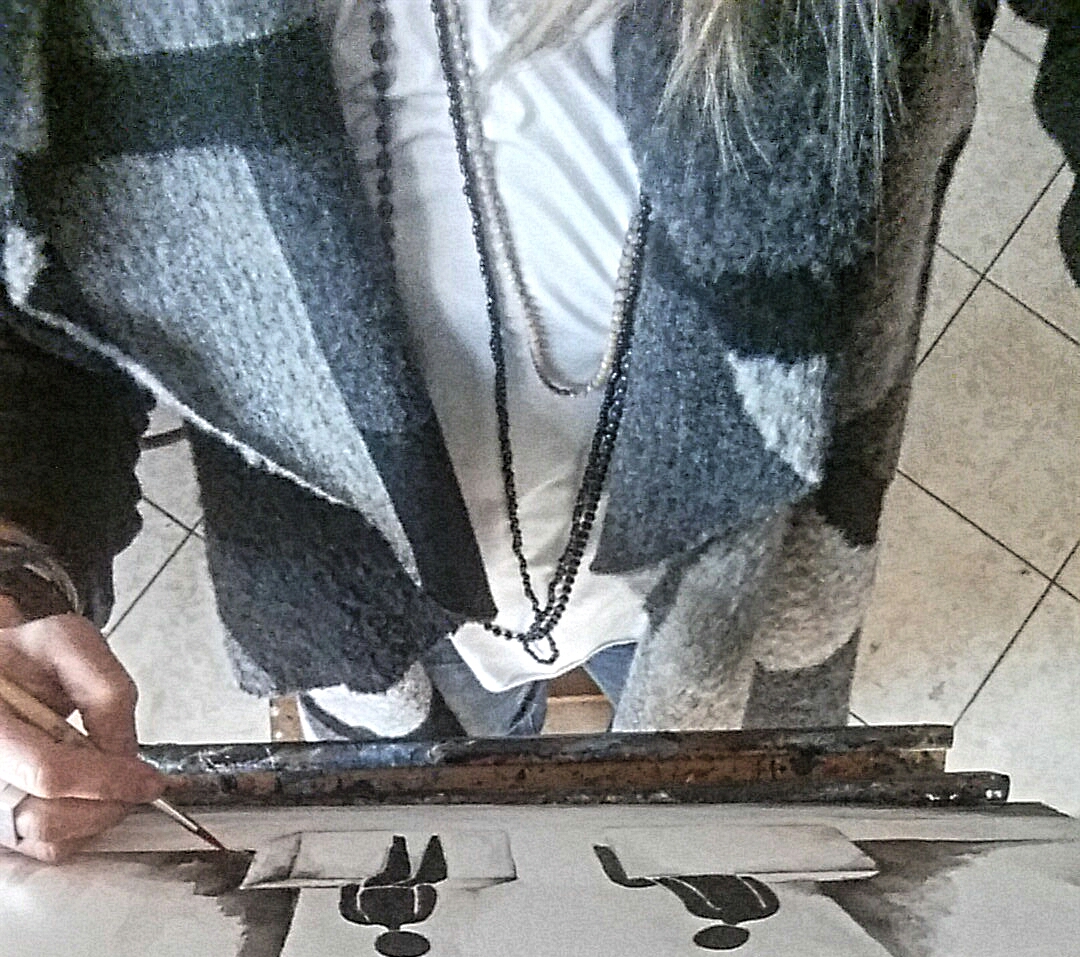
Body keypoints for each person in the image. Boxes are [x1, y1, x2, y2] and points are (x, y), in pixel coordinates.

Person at [0, 0, 1075, 861]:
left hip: (740, 560)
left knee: (705, 736)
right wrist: (16, 556)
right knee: (455, 767)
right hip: (371, 597)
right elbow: (40, 299)